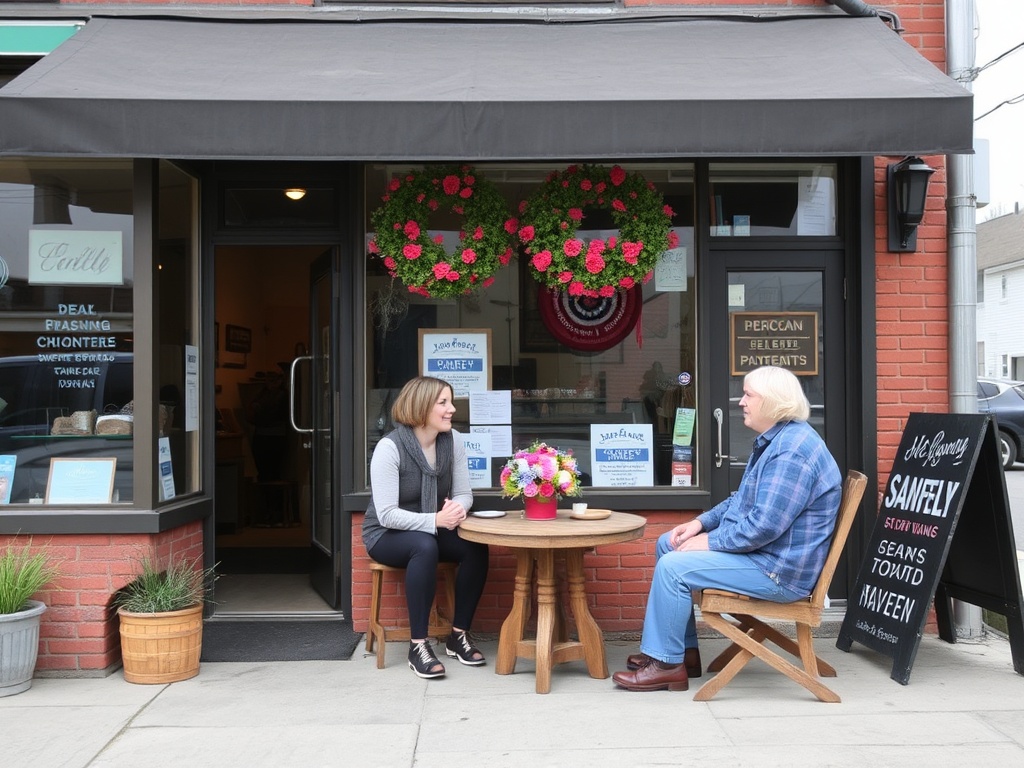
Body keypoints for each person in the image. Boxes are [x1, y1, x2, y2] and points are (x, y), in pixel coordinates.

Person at [612, 365, 842, 692]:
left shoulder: (792, 451)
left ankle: (665, 665)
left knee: (673, 567)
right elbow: (740, 500)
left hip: (778, 571)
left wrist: (711, 542)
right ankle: (683, 654)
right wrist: (699, 523)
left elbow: (763, 527)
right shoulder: (777, 440)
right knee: (669, 543)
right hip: (767, 557)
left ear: (774, 402)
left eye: (749, 395)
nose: (741, 402)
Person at [361, 376, 489, 680]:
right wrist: (434, 520)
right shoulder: (389, 448)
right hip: (385, 534)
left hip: (432, 526)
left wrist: (457, 509)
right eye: (443, 403)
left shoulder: (453, 440)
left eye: (450, 401)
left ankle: (458, 635)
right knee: (424, 545)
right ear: (421, 407)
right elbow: (387, 514)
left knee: (474, 546)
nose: (451, 409)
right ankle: (418, 645)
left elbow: (463, 492)